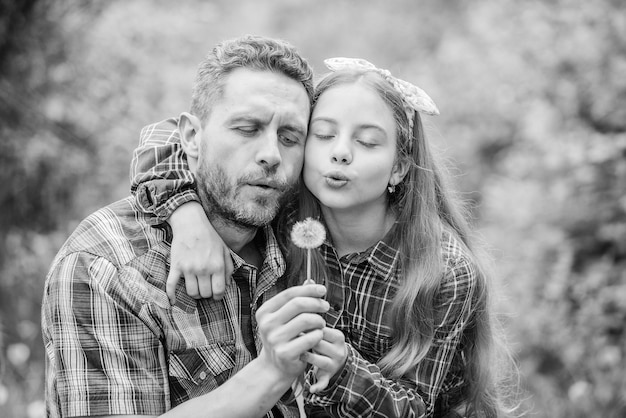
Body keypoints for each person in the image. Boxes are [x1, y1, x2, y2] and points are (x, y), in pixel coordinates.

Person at [131, 58, 518, 417]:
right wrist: (187, 216)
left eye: (367, 142)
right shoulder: (282, 208)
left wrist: (345, 370)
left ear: (399, 166)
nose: (341, 153)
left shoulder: (442, 270)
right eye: (323, 135)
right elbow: (163, 136)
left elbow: (419, 408)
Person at [41, 35, 333, 418]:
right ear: (192, 138)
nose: (271, 156)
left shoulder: (302, 226)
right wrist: (272, 371)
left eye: (290, 137)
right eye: (246, 128)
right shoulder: (107, 267)